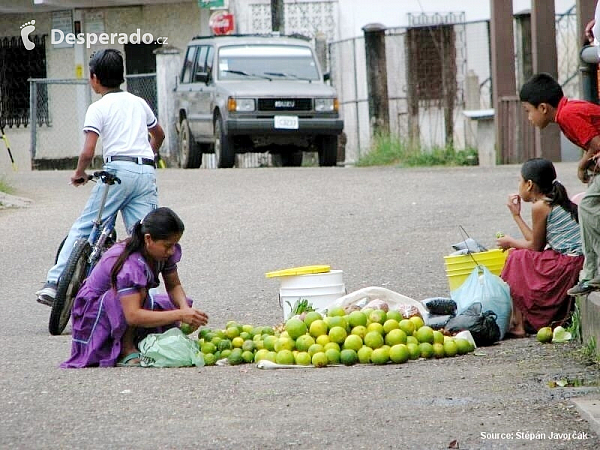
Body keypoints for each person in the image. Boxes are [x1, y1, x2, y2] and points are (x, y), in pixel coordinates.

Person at [36, 48, 165, 306]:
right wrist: (146, 157)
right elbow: (158, 135)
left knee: (86, 226)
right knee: (143, 235)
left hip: (117, 172)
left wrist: (79, 173)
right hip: (146, 172)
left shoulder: (98, 107)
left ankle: (55, 281)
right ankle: (150, 301)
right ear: (122, 76)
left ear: (94, 78)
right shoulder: (139, 102)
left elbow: (88, 151)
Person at [61, 207, 209, 368]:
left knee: (170, 304)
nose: (172, 250)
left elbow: (174, 285)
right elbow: (133, 316)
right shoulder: (128, 264)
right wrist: (179, 314)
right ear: (148, 239)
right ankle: (126, 349)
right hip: (95, 311)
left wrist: (184, 309)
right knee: (144, 297)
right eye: (168, 245)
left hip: (130, 302)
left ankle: (137, 340)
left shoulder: (161, 253)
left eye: (175, 244)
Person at [519, 72, 600, 296]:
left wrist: (582, 166)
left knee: (589, 207)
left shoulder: (567, 115)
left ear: (543, 108)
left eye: (529, 111)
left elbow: (597, 145)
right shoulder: (567, 112)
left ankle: (595, 273)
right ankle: (593, 272)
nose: (529, 118)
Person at [497, 158, 583, 337]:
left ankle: (518, 324)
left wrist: (510, 242)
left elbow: (534, 247)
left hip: (568, 263)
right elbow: (537, 242)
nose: (518, 185)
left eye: (519, 181)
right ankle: (519, 320)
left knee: (516, 257)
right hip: (571, 260)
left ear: (529, 184)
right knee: (519, 254)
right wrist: (516, 215)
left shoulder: (540, 206)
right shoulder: (549, 200)